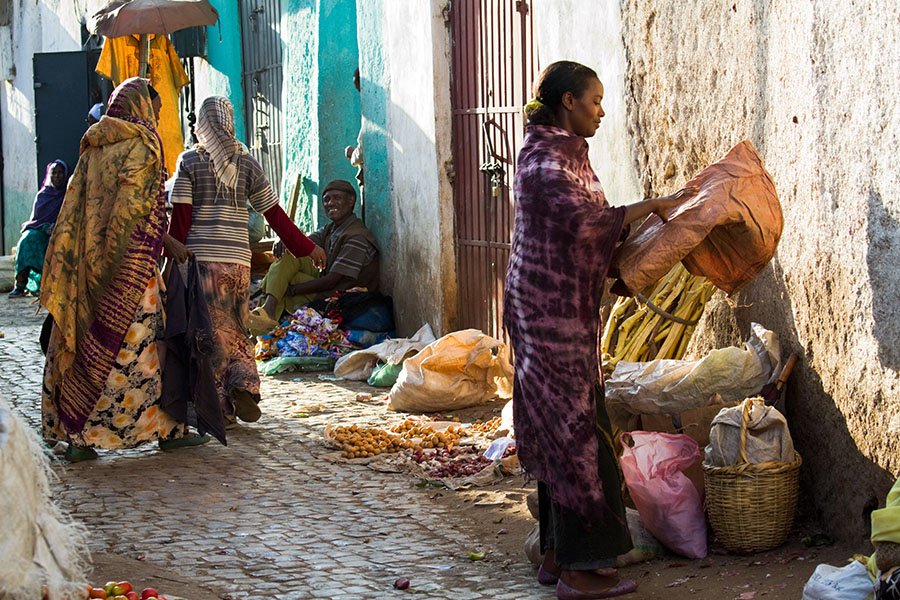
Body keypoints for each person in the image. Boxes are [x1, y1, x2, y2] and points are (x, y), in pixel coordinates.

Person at [503, 60, 697, 600]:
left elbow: (587, 228)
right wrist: (650, 208)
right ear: (568, 102)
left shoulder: (559, 154)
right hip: (548, 316)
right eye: (594, 101)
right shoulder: (545, 163)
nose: (602, 111)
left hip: (556, 312)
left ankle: (553, 554)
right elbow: (583, 226)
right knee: (573, 433)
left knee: (561, 424)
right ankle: (579, 571)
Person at [40, 77, 208, 463]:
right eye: (157, 106)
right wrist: (166, 242)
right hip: (129, 272)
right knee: (139, 350)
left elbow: (79, 212)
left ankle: (75, 434)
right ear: (142, 107)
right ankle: (163, 429)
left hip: (85, 267)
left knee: (81, 343)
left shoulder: (94, 146)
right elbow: (136, 214)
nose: (161, 113)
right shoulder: (144, 145)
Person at [168, 96, 326, 426]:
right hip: (238, 266)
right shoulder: (247, 163)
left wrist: (170, 258)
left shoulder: (189, 162)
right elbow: (275, 216)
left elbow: (180, 221)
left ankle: (220, 409)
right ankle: (244, 384)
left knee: (207, 334)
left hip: (202, 265)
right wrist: (308, 247)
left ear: (201, 126)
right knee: (237, 329)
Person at [254, 179, 379, 324]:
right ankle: (267, 311)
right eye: (326, 200)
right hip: (326, 282)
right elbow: (302, 244)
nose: (330, 203)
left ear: (351, 201)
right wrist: (283, 240)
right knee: (289, 255)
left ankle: (263, 325)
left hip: (341, 294)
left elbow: (332, 280)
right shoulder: (331, 229)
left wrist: (292, 289)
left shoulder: (357, 236)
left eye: (336, 198)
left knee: (282, 286)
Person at [8, 160, 68, 297]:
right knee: (27, 239)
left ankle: (53, 285)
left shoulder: (68, 195)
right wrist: (45, 227)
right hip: (41, 231)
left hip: (60, 231)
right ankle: (20, 285)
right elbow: (36, 220)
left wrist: (57, 226)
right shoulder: (43, 195)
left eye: (60, 173)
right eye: (54, 173)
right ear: (49, 175)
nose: (57, 176)